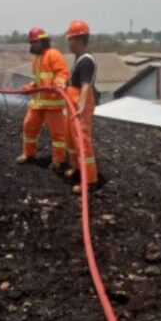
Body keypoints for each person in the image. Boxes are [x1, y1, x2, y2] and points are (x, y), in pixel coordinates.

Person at [16, 27, 69, 171]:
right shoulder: (36, 59)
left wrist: (59, 82)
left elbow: (62, 73)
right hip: (37, 104)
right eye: (31, 43)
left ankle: (58, 160)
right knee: (28, 127)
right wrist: (30, 87)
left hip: (52, 105)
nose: (32, 46)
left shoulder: (53, 54)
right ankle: (29, 154)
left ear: (43, 41)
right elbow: (39, 81)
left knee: (58, 134)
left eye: (35, 42)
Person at [64, 20, 99, 194]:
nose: (68, 43)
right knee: (71, 140)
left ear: (78, 40)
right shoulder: (79, 60)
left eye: (70, 39)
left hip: (80, 105)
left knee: (82, 142)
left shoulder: (86, 61)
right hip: (73, 104)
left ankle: (90, 181)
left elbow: (86, 86)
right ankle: (78, 170)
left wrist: (81, 106)